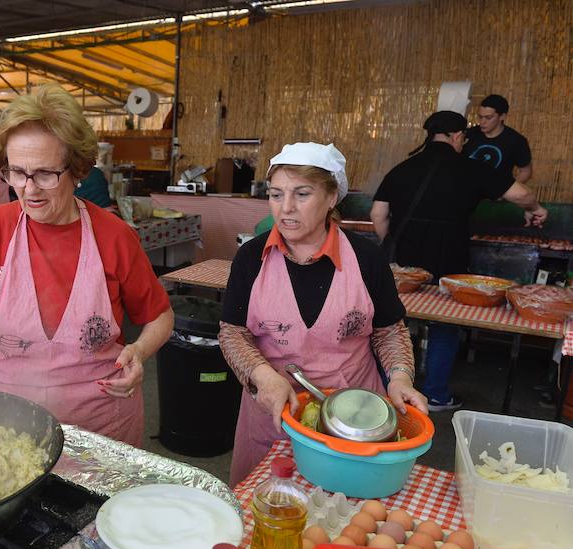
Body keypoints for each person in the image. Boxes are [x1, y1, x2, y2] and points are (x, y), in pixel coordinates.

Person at [0, 84, 174, 447]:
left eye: (44, 174)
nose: (28, 189)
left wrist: (139, 350)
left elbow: (160, 315)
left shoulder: (114, 236)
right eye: (16, 172)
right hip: (5, 425)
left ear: (77, 170)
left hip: (100, 428)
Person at [219, 142, 427, 487]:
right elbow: (232, 332)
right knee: (269, 511)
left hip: (355, 417)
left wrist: (400, 377)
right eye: (275, 194)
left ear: (331, 198)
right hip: (274, 411)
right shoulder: (250, 258)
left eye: (302, 194)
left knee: (343, 510)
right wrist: (263, 376)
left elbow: (389, 330)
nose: (285, 208)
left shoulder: (366, 258)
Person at [370, 111, 546, 412]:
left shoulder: (402, 169)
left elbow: (377, 214)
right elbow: (522, 193)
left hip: (402, 267)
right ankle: (436, 395)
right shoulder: (472, 168)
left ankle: (386, 389)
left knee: (390, 323)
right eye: (463, 137)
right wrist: (536, 208)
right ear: (455, 136)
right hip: (447, 259)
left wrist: (395, 250)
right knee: (444, 325)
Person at [464, 94, 532, 185]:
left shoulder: (516, 140)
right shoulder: (469, 134)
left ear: (502, 116)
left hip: (495, 194)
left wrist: (506, 191)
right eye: (480, 117)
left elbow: (525, 171)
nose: (482, 122)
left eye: (488, 117)